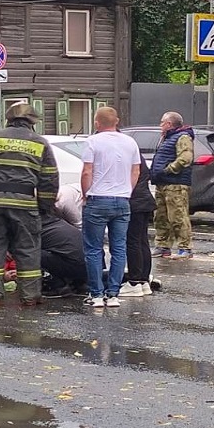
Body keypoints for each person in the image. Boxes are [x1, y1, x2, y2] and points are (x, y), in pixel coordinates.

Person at [0, 102, 59, 306]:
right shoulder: (40, 142)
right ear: (32, 122)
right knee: (28, 250)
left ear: (8, 119)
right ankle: (30, 297)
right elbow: (49, 178)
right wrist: (44, 206)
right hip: (24, 205)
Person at [80, 106, 142, 308]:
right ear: (117, 122)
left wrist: (85, 193)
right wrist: (127, 192)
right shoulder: (130, 142)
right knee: (119, 248)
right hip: (122, 200)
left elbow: (87, 172)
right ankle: (113, 294)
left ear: (97, 123)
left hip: (97, 199)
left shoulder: (92, 142)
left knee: (93, 249)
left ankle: (96, 294)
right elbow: (136, 171)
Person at [150, 111, 195, 260]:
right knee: (161, 216)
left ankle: (185, 248)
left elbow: (186, 158)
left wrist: (169, 170)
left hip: (175, 184)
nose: (160, 125)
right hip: (162, 183)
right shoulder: (166, 138)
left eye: (162, 122)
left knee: (178, 216)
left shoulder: (183, 137)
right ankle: (163, 246)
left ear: (169, 124)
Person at [118, 157, 156, 297]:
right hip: (144, 199)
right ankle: (143, 281)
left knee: (133, 241)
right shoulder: (134, 150)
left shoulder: (124, 151)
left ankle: (134, 282)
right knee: (142, 241)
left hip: (134, 201)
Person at [38, 213, 88, 298]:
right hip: (91, 266)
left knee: (30, 254)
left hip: (75, 265)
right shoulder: (59, 223)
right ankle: (80, 283)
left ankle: (57, 286)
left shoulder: (37, 229)